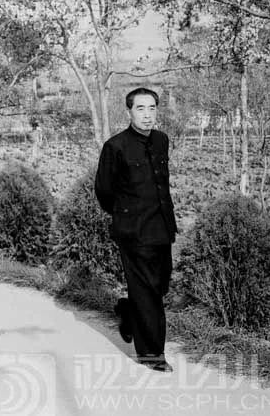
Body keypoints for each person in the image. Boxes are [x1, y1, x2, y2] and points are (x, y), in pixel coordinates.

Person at [94, 87, 177, 372]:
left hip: (162, 226)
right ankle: (153, 355)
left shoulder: (162, 140)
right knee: (148, 291)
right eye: (140, 108)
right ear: (129, 111)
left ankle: (129, 312)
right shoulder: (115, 147)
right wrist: (126, 216)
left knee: (160, 285)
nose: (147, 115)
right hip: (134, 231)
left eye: (152, 108)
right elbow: (104, 191)